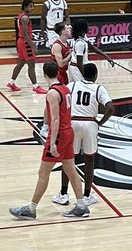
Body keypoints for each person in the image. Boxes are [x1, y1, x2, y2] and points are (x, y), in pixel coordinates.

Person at [9, 61, 82, 219]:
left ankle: (31, 209)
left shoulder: (52, 93)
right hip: (68, 131)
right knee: (71, 169)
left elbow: (55, 119)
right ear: (57, 72)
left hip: (60, 134)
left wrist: (53, 142)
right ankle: (81, 205)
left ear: (44, 74)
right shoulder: (65, 88)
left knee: (43, 172)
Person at [57, 63, 115, 219]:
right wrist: (100, 122)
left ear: (82, 74)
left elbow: (62, 101)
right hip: (90, 124)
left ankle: (63, 194)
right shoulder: (99, 88)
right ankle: (87, 195)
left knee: (68, 161)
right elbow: (111, 107)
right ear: (95, 76)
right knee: (90, 160)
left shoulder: (72, 85)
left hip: (73, 123)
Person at [8, 0, 41, 93]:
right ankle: (36, 86)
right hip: (25, 42)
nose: (32, 8)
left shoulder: (21, 15)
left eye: (33, 6)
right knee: (31, 64)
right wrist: (33, 46)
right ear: (25, 7)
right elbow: (25, 34)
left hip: (21, 41)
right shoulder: (25, 18)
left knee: (21, 63)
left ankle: (11, 82)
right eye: (30, 6)